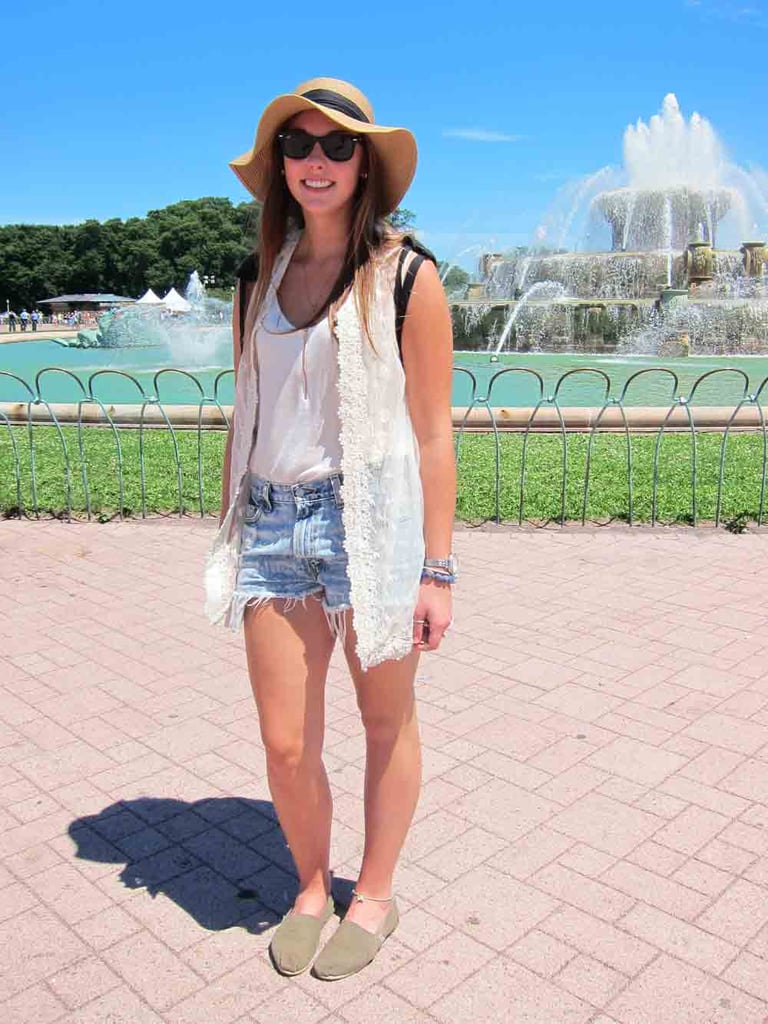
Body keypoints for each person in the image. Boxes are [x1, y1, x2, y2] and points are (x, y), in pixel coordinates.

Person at [205, 78, 456, 981]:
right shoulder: (256, 276)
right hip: (275, 522)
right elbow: (249, 413)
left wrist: (439, 567)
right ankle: (311, 887)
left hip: (371, 523)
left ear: (365, 165)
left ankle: (375, 895)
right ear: (280, 166)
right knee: (285, 740)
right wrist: (230, 524)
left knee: (386, 720)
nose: (317, 161)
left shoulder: (407, 277)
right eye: (300, 146)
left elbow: (433, 432)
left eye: (337, 146)